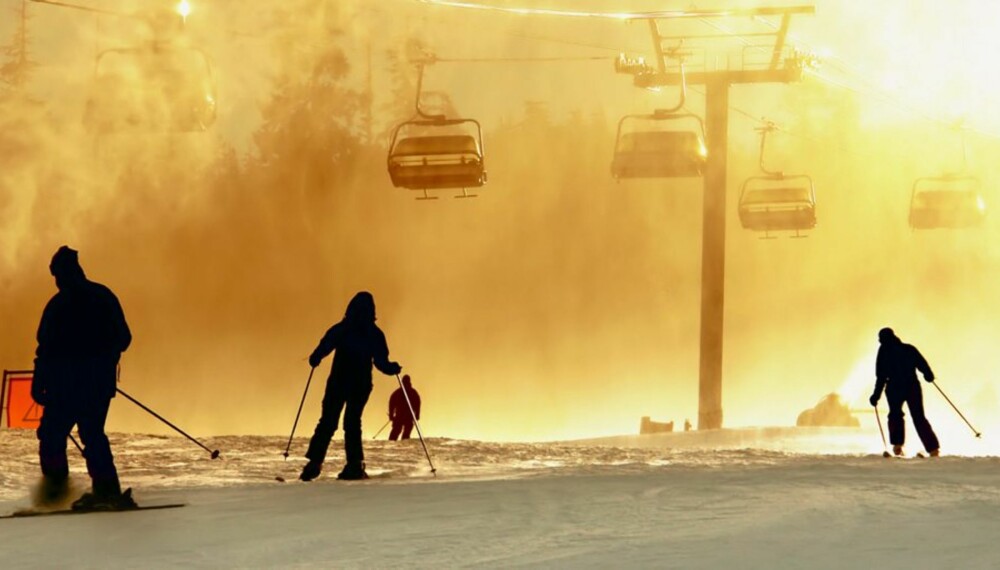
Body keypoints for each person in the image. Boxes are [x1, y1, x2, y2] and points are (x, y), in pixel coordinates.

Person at [32, 246, 134, 510]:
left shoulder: (58, 306)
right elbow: (123, 339)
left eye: (58, 275)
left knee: (55, 435)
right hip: (93, 385)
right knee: (88, 434)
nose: (58, 281)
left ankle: (56, 493)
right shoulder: (102, 296)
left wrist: (39, 383)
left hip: (67, 387)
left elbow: (45, 350)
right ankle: (105, 491)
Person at [300, 292, 401, 481]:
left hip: (338, 382)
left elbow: (326, 345)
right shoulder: (374, 333)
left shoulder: (343, 328)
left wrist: (316, 357)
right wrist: (392, 368)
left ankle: (314, 462)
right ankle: (354, 464)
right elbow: (381, 362)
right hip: (360, 384)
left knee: (327, 422)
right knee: (352, 423)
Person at [869, 327, 940, 457]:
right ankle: (932, 449)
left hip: (895, 387)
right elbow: (922, 364)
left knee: (896, 415)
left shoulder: (884, 352)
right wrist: (928, 374)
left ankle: (898, 447)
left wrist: (876, 395)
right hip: (911, 386)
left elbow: (881, 376)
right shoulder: (908, 349)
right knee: (917, 417)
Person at [388, 374, 421, 441]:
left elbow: (418, 404)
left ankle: (400, 446)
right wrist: (391, 415)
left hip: (407, 417)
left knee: (404, 434)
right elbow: (391, 403)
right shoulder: (411, 392)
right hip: (400, 416)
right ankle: (393, 446)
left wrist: (417, 415)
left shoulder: (412, 393)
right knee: (397, 432)